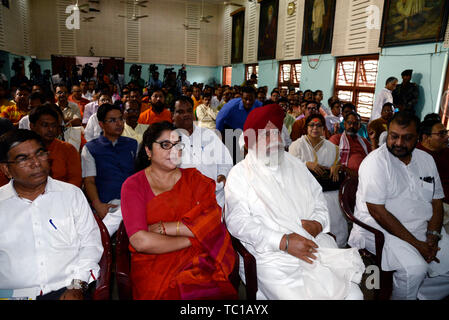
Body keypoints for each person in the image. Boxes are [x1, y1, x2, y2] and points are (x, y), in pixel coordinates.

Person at [224, 104, 365, 300]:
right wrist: (283, 241)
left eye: (277, 133)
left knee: (354, 295)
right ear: (252, 141)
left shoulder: (295, 164)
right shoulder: (239, 174)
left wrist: (317, 223)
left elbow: (319, 200)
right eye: (266, 135)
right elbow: (238, 222)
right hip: (271, 255)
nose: (274, 140)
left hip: (314, 243)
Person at [120, 121, 237, 300]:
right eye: (165, 145)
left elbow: (213, 221)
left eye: (177, 145)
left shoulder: (196, 180)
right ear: (148, 151)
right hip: (154, 265)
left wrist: (165, 228)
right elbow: (141, 241)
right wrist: (193, 238)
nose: (174, 151)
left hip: (200, 260)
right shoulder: (134, 185)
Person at [348, 111, 449, 300]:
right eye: (394, 136)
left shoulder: (426, 160)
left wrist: (433, 235)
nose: (399, 143)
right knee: (414, 269)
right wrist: (418, 245)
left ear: (418, 137)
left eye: (407, 138)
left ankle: (421, 295)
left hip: (422, 227)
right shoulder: (376, 162)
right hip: (380, 228)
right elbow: (378, 212)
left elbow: (437, 200)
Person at [0, 129, 102, 300]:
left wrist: (77, 286)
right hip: (12, 294)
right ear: (6, 169)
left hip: (67, 290)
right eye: (23, 159)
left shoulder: (71, 195)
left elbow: (90, 246)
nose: (36, 163)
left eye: (40, 154)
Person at [289, 114, 348, 247]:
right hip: (303, 188)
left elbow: (339, 164)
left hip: (327, 189)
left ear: (323, 129)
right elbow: (289, 167)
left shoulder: (332, 147)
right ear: (306, 128)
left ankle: (337, 243)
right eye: (312, 125)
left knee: (333, 204)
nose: (315, 128)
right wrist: (306, 164)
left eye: (319, 125)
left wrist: (336, 166)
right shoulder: (296, 145)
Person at [82, 104, 138, 236]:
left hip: (132, 202)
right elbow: (89, 181)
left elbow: (140, 175)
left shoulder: (132, 144)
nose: (119, 123)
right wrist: (98, 205)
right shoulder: (90, 148)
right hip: (106, 205)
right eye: (112, 120)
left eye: (120, 119)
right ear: (101, 124)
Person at [173, 96, 233, 208]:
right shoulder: (169, 141)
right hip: (186, 201)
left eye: (189, 111)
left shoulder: (209, 135)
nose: (186, 114)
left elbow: (225, 159)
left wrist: (222, 174)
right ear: (172, 116)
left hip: (215, 198)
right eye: (180, 112)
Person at [29, 105, 82, 188]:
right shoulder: (22, 150)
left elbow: (75, 181)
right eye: (45, 125)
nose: (50, 129)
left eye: (54, 126)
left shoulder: (68, 149)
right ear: (32, 126)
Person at [417, 119, 449, 216]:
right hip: (435, 206)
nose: (446, 137)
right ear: (426, 137)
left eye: (446, 132)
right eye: (441, 134)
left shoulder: (445, 152)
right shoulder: (416, 156)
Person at [330, 112, 371, 178]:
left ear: (359, 126)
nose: (352, 126)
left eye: (355, 124)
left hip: (365, 176)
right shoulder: (336, 139)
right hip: (344, 177)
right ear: (344, 124)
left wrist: (373, 140)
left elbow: (372, 158)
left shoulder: (364, 142)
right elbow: (330, 160)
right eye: (349, 123)